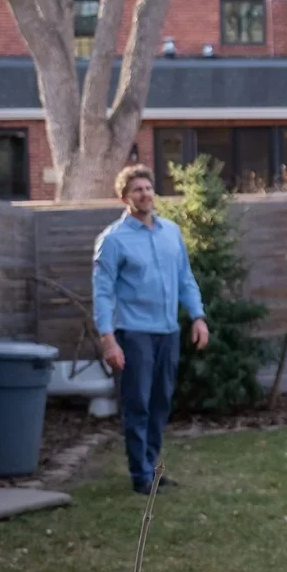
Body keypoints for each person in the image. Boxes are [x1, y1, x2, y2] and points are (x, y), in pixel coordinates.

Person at [93, 165, 209, 493]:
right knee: (138, 403)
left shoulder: (171, 232)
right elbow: (102, 292)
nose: (144, 193)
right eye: (137, 189)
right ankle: (140, 475)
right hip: (133, 333)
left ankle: (150, 467)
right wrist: (108, 339)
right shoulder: (112, 240)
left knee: (160, 403)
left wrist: (198, 317)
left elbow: (185, 278)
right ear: (124, 197)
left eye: (147, 187)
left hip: (168, 332)